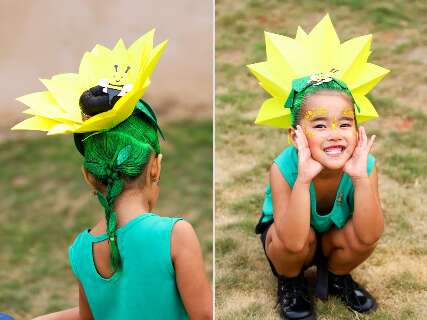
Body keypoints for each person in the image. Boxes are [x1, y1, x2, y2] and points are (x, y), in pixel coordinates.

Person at [13, 32, 212, 320]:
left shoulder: (81, 250)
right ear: (155, 167)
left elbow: (88, 317)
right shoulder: (174, 235)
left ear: (89, 176)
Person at [247, 15, 389, 320]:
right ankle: (291, 281)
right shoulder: (283, 167)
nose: (335, 132)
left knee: (360, 237)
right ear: (296, 136)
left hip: (333, 235)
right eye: (320, 124)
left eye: (346, 123)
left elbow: (371, 234)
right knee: (295, 245)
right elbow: (294, 240)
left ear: (357, 130)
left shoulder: (364, 166)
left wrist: (361, 180)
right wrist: (303, 180)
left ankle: (338, 275)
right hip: (292, 237)